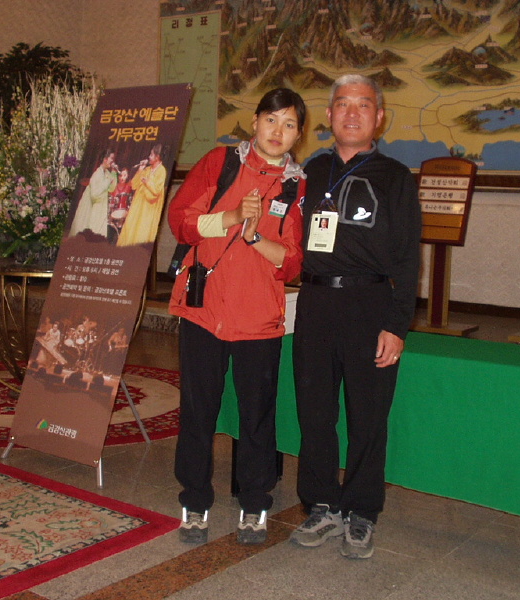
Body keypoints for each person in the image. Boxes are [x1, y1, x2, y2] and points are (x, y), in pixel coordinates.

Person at [289, 74, 422, 559]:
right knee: (315, 411)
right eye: (342, 104)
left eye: (362, 105)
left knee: (368, 415)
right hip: (315, 303)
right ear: (328, 116)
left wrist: (397, 325)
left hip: (370, 305)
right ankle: (322, 503)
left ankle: (362, 510)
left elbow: (408, 259)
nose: (351, 113)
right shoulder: (309, 172)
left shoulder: (396, 177)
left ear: (378, 117)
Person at [168, 88, 307, 546]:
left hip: (258, 319)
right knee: (198, 412)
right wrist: (229, 216)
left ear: (299, 135)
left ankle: (254, 503)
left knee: (257, 416)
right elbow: (181, 221)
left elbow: (292, 262)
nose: (278, 131)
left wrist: (254, 238)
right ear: (255, 121)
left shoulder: (296, 186)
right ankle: (194, 500)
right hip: (204, 311)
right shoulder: (220, 162)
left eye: (289, 124)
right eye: (271, 120)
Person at [116, 144, 167, 246]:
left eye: (151, 155)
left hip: (149, 209)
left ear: (157, 157)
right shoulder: (147, 169)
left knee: (142, 232)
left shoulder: (162, 171)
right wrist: (140, 170)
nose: (149, 157)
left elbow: (156, 191)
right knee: (130, 229)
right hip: (138, 205)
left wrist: (147, 182)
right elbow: (133, 185)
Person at [69, 150, 117, 237]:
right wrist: (107, 181)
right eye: (111, 158)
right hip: (91, 208)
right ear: (105, 159)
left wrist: (114, 173)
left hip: (99, 207)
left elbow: (111, 188)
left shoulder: (107, 173)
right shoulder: (97, 174)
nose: (113, 161)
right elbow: (94, 195)